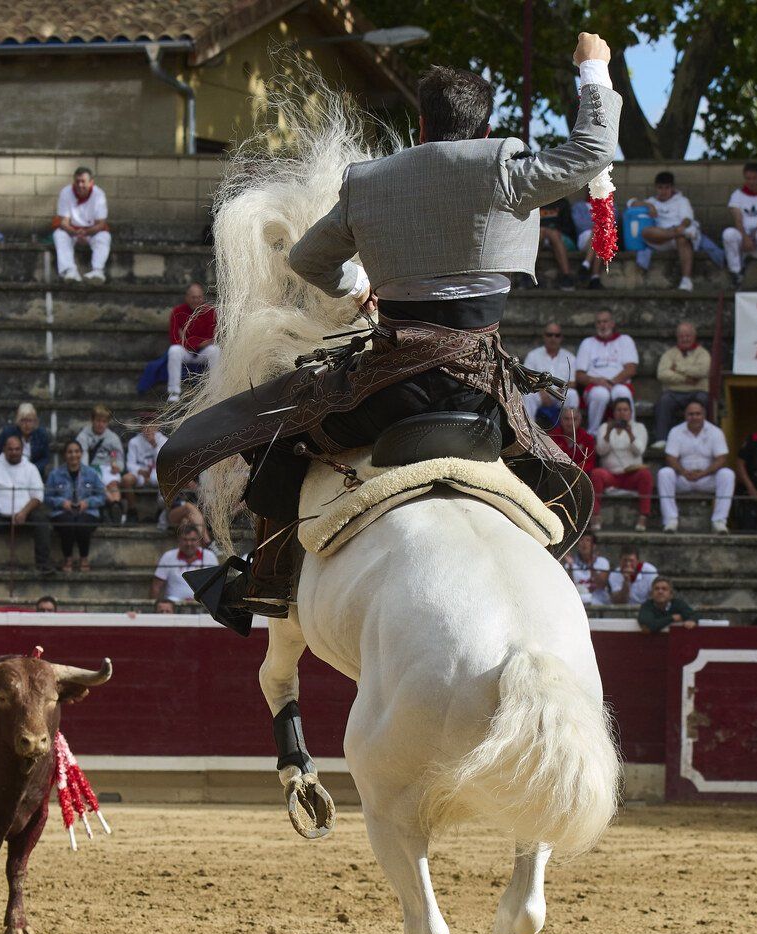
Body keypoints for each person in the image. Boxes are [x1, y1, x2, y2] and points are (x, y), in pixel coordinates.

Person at [171, 47, 621, 624]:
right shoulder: (504, 167)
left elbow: (309, 261)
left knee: (282, 441)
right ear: (483, 128)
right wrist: (592, 69)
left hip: (389, 393)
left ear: (421, 125)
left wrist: (359, 284)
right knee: (562, 480)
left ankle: (263, 582)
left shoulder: (371, 181)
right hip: (483, 395)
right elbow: (591, 152)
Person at [0, 432, 51, 572]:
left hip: (23, 516)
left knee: (42, 521)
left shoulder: (30, 468)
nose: (14, 452)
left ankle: (43, 565)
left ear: (22, 450)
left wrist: (24, 512)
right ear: (4, 449)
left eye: (17, 449)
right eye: (10, 449)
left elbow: (38, 496)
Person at [656, 400, 733, 533]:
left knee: (727, 474)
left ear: (703, 415)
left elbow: (721, 459)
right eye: (691, 414)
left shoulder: (715, 432)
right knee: (664, 473)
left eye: (698, 414)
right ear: (685, 416)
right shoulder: (676, 431)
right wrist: (684, 472)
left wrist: (703, 473)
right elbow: (670, 458)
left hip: (706, 479)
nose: (694, 417)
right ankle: (670, 520)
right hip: (683, 478)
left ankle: (719, 521)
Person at [591, 396, 653, 529]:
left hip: (631, 475)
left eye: (625, 410)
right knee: (596, 474)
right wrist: (608, 433)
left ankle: (643, 516)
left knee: (645, 474)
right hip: (611, 476)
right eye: (618, 410)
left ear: (630, 412)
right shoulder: (604, 427)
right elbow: (601, 451)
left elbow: (639, 451)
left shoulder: (639, 427)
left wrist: (630, 434)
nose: (622, 413)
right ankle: (595, 516)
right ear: (614, 413)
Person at [46, 439, 106, 573]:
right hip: (62, 512)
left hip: (88, 512)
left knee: (82, 524)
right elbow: (47, 498)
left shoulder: (91, 473)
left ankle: (84, 558)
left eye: (77, 451)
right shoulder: (55, 474)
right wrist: (62, 503)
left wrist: (88, 503)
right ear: (64, 455)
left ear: (81, 454)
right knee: (67, 524)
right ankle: (68, 559)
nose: (73, 455)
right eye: (70, 452)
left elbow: (102, 496)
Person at [636, 171, 699, 290]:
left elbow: (687, 219)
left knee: (681, 238)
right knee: (645, 232)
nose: (663, 191)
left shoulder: (682, 201)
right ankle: (677, 233)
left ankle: (686, 280)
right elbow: (631, 203)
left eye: (667, 188)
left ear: (672, 188)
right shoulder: (652, 201)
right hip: (661, 238)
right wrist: (649, 206)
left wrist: (681, 227)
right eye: (660, 188)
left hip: (679, 238)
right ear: (656, 188)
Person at [574, 308, 637, 428]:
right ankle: (594, 432)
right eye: (599, 322)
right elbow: (579, 375)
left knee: (622, 392)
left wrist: (612, 381)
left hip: (619, 383)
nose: (602, 325)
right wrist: (597, 381)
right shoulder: (587, 343)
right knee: (600, 394)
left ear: (612, 323)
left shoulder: (625, 340)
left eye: (605, 321)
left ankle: (630, 429)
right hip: (595, 385)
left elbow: (631, 368)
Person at [721, 162, 757, 286]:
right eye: (748, 178)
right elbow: (737, 219)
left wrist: (751, 237)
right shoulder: (737, 195)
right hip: (743, 236)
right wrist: (745, 238)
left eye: (754, 178)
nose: (751, 182)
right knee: (728, 234)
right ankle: (736, 272)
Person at [651, 321, 708, 441]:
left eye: (688, 336)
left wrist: (677, 368)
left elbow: (702, 371)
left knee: (703, 400)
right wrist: (686, 379)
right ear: (677, 337)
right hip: (674, 392)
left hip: (697, 391)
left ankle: (704, 437)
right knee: (663, 401)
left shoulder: (703, 353)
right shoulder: (669, 354)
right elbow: (662, 374)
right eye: (682, 336)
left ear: (694, 337)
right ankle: (661, 440)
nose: (685, 339)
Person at [52, 167, 110, 283]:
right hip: (72, 231)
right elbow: (63, 222)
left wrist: (86, 233)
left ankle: (97, 271)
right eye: (77, 181)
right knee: (59, 235)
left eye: (83, 181)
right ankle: (70, 271)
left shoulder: (99, 194)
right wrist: (75, 233)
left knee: (104, 237)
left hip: (92, 232)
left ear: (91, 182)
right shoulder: (66, 192)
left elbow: (101, 224)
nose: (80, 185)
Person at [165, 282, 219, 403]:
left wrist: (187, 339)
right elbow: (174, 338)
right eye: (193, 297)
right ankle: (174, 393)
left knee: (215, 351)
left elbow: (212, 337)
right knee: (174, 350)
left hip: (203, 353)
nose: (197, 300)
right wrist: (198, 343)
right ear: (187, 297)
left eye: (199, 297)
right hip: (186, 352)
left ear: (203, 297)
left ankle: (216, 391)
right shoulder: (177, 312)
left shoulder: (210, 312)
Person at [521, 321, 577, 424]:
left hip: (560, 394)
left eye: (557, 335)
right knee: (528, 396)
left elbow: (573, 382)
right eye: (549, 335)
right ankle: (528, 428)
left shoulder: (570, 357)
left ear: (561, 337)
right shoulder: (533, 355)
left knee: (572, 394)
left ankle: (571, 428)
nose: (553, 338)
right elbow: (528, 378)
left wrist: (557, 393)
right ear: (544, 336)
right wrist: (542, 391)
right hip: (539, 393)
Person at [152, 524, 216, 604]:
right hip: (173, 606)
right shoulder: (168, 556)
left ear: (199, 541)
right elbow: (156, 586)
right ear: (179, 541)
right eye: (185, 540)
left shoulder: (209, 556)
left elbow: (215, 585)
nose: (189, 543)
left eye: (193, 540)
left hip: (201, 605)